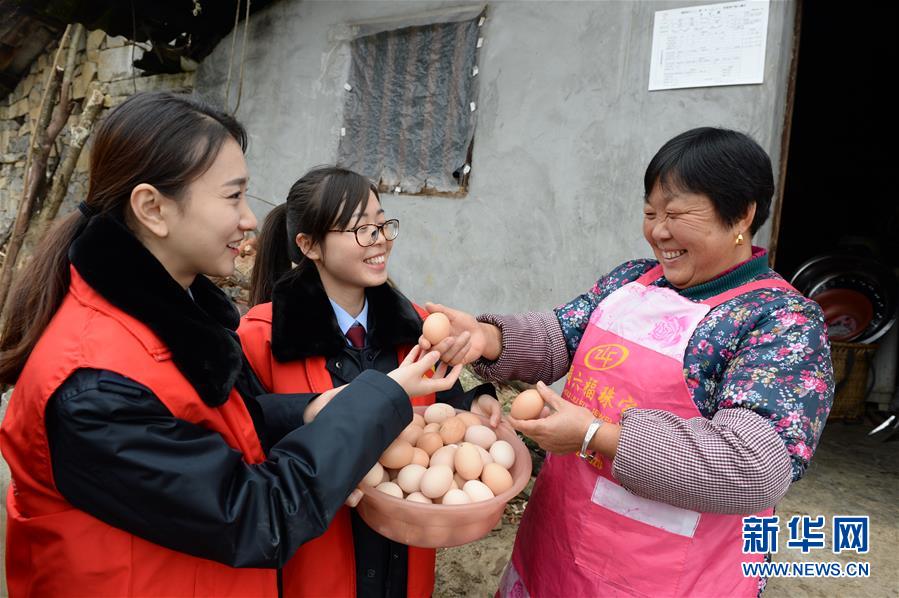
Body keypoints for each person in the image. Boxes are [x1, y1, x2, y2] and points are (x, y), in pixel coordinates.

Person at [0, 92, 460, 597]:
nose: (249, 220)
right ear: (153, 208)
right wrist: (379, 399)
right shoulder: (92, 386)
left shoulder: (168, 324)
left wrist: (308, 411)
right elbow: (255, 514)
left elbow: (202, 435)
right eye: (232, 196)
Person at [420, 128, 835, 597]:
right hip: (561, 535)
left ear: (741, 214)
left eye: (676, 213)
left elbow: (752, 467)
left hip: (666, 569)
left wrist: (595, 435)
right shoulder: (635, 281)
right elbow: (562, 332)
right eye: (650, 212)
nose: (658, 231)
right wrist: (487, 337)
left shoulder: (780, 322)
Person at [239, 165, 501, 598]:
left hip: (404, 549)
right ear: (309, 245)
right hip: (317, 560)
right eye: (361, 229)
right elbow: (247, 436)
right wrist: (311, 413)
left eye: (383, 224)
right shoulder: (261, 337)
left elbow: (440, 412)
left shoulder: (415, 325)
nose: (380, 239)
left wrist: (473, 407)